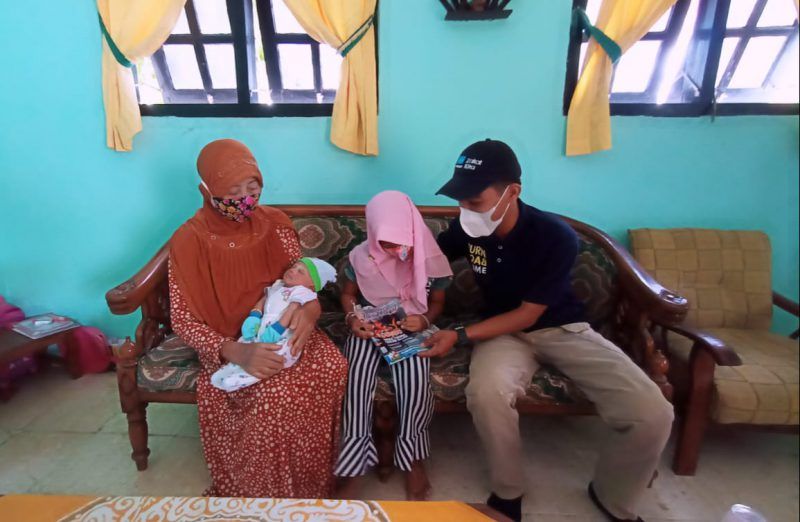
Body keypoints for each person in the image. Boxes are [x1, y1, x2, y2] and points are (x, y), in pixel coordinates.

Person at [422, 139, 674, 522]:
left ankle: (614, 498)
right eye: (461, 202)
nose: (465, 211)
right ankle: (507, 494)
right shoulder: (466, 228)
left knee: (652, 412)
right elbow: (429, 260)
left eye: (474, 201)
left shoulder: (555, 236)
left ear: (513, 192)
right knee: (488, 394)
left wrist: (457, 336)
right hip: (500, 333)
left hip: (562, 328)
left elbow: (529, 315)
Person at [169, 139, 348, 498]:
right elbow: (183, 320)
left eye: (252, 188)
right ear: (207, 190)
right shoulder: (189, 241)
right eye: (233, 191)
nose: (245, 199)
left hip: (285, 326)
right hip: (233, 343)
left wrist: (311, 310)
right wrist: (235, 351)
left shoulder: (276, 225)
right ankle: (267, 495)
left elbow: (299, 278)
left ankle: (313, 485)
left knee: (333, 366)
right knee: (274, 396)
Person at [334, 190, 453, 500]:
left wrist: (424, 320)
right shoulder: (362, 256)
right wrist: (353, 318)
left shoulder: (429, 257)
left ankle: (413, 458)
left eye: (401, 241)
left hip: (411, 323)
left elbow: (437, 302)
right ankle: (354, 464)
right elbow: (347, 294)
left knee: (415, 380)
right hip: (369, 324)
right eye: (385, 242)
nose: (396, 250)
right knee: (355, 378)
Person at [211, 257, 338, 392]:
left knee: (277, 352)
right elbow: (264, 299)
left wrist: (277, 329)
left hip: (283, 331)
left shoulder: (303, 292)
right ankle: (232, 368)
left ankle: (246, 378)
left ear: (312, 285)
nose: (293, 270)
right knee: (248, 342)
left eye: (300, 272)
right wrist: (254, 316)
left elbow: (291, 310)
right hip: (264, 325)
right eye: (294, 267)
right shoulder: (278, 285)